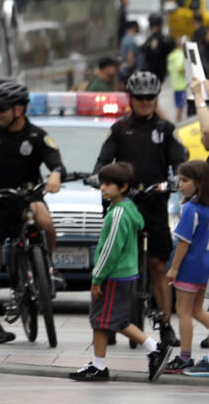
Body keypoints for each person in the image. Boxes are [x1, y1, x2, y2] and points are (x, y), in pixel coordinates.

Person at [0, 80, 65, 344]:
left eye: (3, 108)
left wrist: (55, 175)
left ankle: (48, 270)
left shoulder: (36, 135)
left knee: (46, 222)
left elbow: (56, 162)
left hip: (25, 196)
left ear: (19, 110)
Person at [93, 71, 186, 343]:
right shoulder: (120, 129)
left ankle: (166, 324)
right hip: (125, 205)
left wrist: (177, 177)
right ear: (131, 99)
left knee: (158, 265)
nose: (145, 102)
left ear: (156, 98)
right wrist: (96, 174)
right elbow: (103, 161)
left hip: (156, 204)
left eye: (150, 97)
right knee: (113, 263)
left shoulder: (166, 130)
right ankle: (108, 323)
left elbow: (179, 161)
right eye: (139, 98)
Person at [69, 162, 171, 382]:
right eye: (102, 183)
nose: (102, 188)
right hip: (125, 275)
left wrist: (97, 278)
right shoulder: (129, 208)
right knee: (116, 321)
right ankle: (104, 362)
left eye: (108, 184)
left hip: (113, 276)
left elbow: (110, 249)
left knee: (100, 320)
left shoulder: (117, 214)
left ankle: (150, 350)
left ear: (123, 187)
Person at [163, 160, 209, 373]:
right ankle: (185, 357)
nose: (180, 184)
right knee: (197, 310)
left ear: (198, 182)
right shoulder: (206, 207)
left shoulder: (190, 208)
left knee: (183, 312)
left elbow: (183, 242)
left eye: (185, 180)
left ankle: (184, 357)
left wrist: (174, 268)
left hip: (189, 265)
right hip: (203, 263)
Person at [139, 13, 175, 85]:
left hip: (154, 72)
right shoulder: (162, 37)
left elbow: (154, 56)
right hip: (158, 71)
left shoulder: (156, 39)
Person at [170, 44, 189, 114]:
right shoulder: (180, 54)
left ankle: (178, 121)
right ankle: (179, 123)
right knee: (180, 107)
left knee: (178, 106)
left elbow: (170, 69)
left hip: (175, 85)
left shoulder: (172, 55)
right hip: (182, 85)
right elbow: (180, 68)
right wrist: (188, 74)